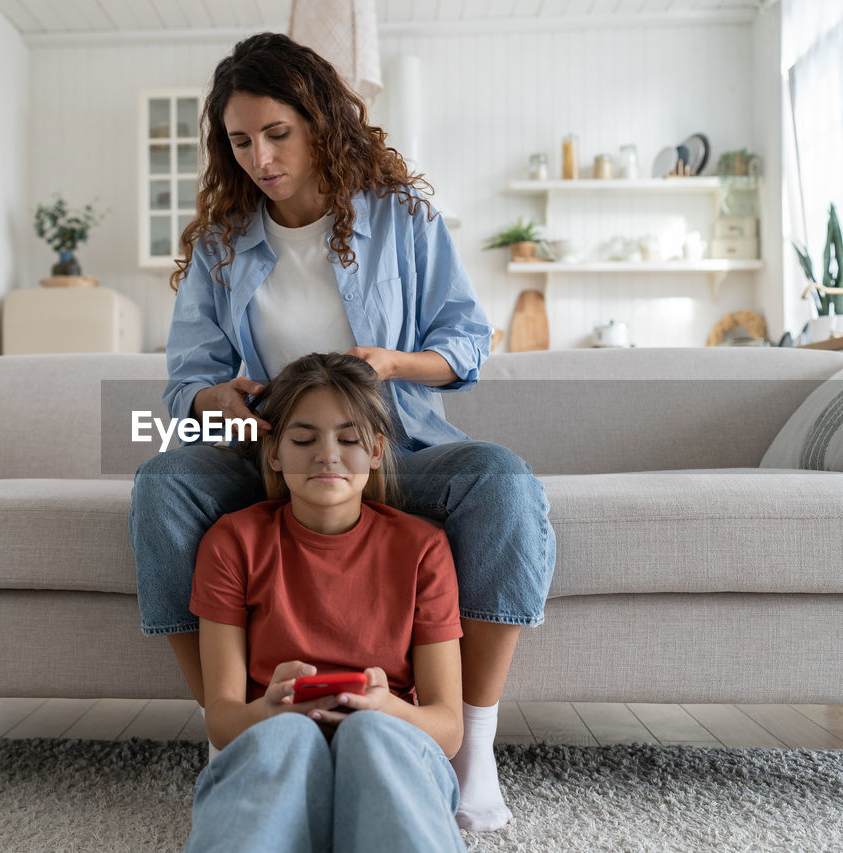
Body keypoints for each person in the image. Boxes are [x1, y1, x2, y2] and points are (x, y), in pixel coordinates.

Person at [129, 32, 556, 831]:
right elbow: (186, 379)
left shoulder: (401, 220)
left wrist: (395, 363)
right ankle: (229, 731)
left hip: (398, 445)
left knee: (500, 479)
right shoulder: (222, 248)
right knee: (163, 482)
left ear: (321, 122)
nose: (261, 156)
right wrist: (215, 397)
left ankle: (473, 746)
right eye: (241, 140)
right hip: (270, 454)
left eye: (277, 133)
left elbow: (467, 341)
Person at [184, 353, 465, 852]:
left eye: (349, 439)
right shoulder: (232, 542)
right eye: (303, 439)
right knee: (287, 739)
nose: (327, 455)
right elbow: (223, 718)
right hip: (278, 737)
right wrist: (270, 709)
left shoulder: (422, 548)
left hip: (390, 741)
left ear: (377, 451)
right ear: (273, 453)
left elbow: (446, 729)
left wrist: (387, 708)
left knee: (371, 737)